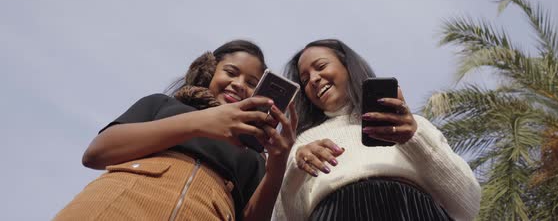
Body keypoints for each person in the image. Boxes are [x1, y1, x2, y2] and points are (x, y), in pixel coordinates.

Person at [55, 40, 297, 221]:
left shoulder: (254, 151)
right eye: (231, 72)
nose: (239, 84)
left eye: (252, 84)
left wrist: (276, 168)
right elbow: (96, 153)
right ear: (209, 71)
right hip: (116, 205)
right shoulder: (163, 104)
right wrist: (200, 121)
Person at [271, 39, 481, 221]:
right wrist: (297, 169)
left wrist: (415, 138)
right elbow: (285, 217)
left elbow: (466, 203)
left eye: (321, 66)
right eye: (305, 80)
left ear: (348, 67)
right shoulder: (303, 143)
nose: (314, 79)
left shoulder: (410, 125)